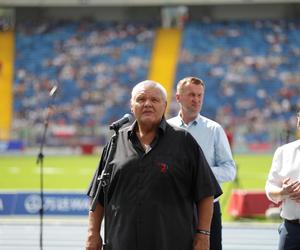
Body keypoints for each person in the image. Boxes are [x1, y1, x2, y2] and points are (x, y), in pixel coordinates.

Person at [85, 80, 222, 250]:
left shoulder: (184, 142)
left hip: (172, 243)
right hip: (122, 243)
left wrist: (203, 235)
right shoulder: (115, 143)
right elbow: (98, 195)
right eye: (141, 99)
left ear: (164, 105)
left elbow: (206, 192)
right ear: (131, 105)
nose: (147, 104)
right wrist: (92, 232)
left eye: (154, 100)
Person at [168, 76, 236, 250]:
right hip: (174, 207)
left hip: (208, 208)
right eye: (191, 95)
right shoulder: (165, 129)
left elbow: (229, 170)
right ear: (178, 98)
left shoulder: (214, 129)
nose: (196, 99)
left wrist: (199, 174)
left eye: (200, 95)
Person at [265, 110, 300, 250]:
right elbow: (269, 188)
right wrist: (283, 191)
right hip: (291, 229)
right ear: (298, 121)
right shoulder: (283, 152)